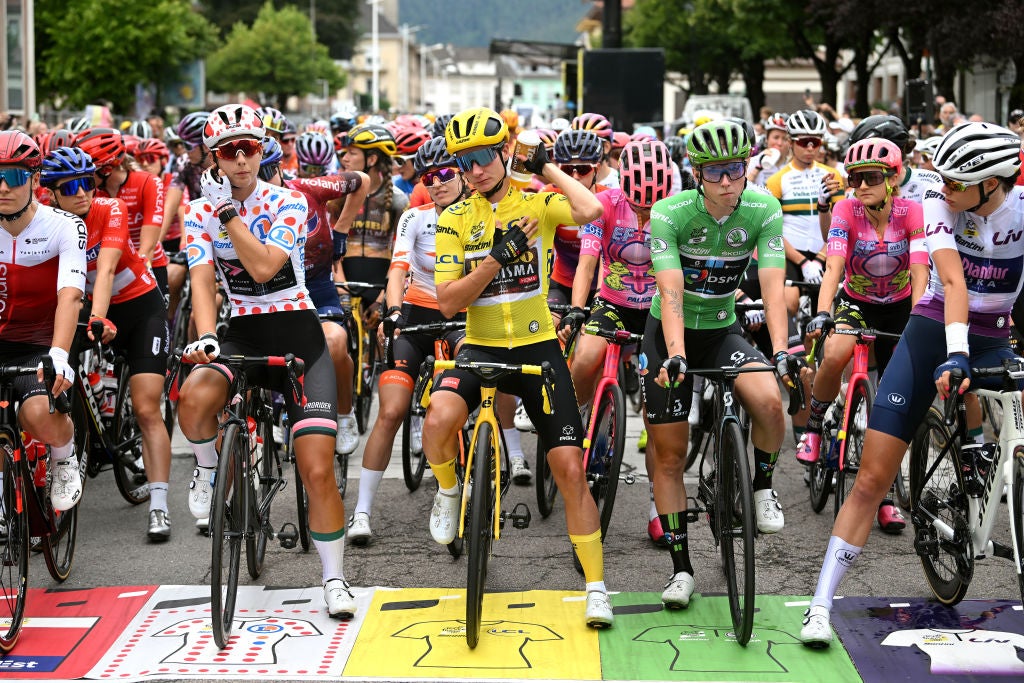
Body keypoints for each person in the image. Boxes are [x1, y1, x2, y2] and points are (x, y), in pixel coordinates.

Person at [799, 122, 1024, 648]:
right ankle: (820, 604)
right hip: (932, 332)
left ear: (992, 183)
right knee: (872, 479)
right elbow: (952, 283)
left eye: (954, 181)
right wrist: (957, 354)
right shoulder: (941, 207)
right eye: (940, 179)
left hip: (997, 334)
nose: (942, 188)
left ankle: (978, 462)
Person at [425, 106, 613, 627]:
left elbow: (592, 209)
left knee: (569, 469)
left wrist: (546, 166)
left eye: (485, 157)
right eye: (465, 163)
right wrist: (495, 260)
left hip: (538, 349)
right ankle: (447, 490)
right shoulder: (454, 220)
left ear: (505, 152)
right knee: (438, 418)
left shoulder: (538, 204)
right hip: (481, 347)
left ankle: (596, 585)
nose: (476, 170)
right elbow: (446, 303)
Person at [177, 104, 356, 619]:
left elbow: (262, 267)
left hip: (298, 336)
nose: (240, 160)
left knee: (317, 468)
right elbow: (203, 281)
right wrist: (208, 336)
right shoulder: (195, 212)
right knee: (193, 398)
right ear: (213, 156)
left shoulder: (288, 202)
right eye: (229, 151)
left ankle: (334, 578)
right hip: (243, 335)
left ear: (263, 150)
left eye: (249, 148)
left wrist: (229, 214)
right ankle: (210, 470)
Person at [643, 121, 802, 608]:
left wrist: (779, 350)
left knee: (769, 401)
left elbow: (773, 287)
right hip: (670, 332)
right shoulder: (669, 213)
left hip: (722, 330)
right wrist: (674, 354)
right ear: (696, 172)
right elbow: (670, 290)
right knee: (669, 457)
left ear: (747, 165)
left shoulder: (763, 208)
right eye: (715, 173)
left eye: (735, 170)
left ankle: (761, 486)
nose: (728, 182)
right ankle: (681, 568)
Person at [794, 138, 929, 534]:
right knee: (835, 351)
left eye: (870, 177)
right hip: (857, 301)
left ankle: (884, 496)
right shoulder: (845, 209)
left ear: (892, 178)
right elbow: (834, 266)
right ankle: (816, 424)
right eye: (854, 179)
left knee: (891, 403)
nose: (860, 185)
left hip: (901, 303)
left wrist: (920, 318)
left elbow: (920, 270)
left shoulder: (912, 211)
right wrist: (822, 313)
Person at [42, 146, 173, 540]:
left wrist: (100, 316)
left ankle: (160, 504)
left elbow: (108, 269)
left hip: (138, 309)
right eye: (71, 187)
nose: (83, 193)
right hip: (86, 312)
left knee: (147, 406)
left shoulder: (109, 208)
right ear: (50, 194)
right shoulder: (45, 223)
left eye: (88, 183)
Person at [347, 137, 469, 546]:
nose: (437, 184)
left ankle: (467, 477)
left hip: (463, 317)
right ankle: (362, 511)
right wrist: (394, 311)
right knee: (392, 410)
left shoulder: (481, 216)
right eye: (429, 177)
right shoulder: (414, 217)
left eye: (445, 174)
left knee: (457, 404)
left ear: (464, 174)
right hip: (416, 313)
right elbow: (398, 268)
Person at [558, 139, 670, 546]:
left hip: (659, 307)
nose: (644, 212)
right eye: (638, 202)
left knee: (661, 412)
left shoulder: (675, 207)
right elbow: (587, 261)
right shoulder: (603, 202)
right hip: (613, 301)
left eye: (652, 203)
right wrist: (575, 307)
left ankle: (660, 506)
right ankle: (582, 415)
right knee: (586, 355)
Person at [265, 134, 370, 458]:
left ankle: (344, 413)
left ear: (280, 169)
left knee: (337, 344)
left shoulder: (308, 189)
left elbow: (361, 180)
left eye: (268, 171)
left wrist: (340, 230)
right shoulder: (243, 204)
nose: (262, 181)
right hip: (274, 293)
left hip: (318, 286)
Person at [0, 131, 86, 513]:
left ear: (36, 181)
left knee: (36, 414)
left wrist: (59, 353)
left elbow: (70, 295)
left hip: (40, 343)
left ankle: (65, 455)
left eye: (14, 176)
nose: (3, 186)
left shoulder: (64, 226)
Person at [75, 128, 169, 301]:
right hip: (108, 269)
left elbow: (147, 245)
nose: (81, 179)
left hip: (147, 264)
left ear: (106, 169)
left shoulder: (148, 182)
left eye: (87, 172)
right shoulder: (90, 192)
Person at [338, 123, 410, 319]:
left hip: (380, 281)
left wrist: (382, 298)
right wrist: (342, 290)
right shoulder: (337, 195)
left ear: (371, 159)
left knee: (383, 342)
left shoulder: (398, 199)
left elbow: (402, 254)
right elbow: (328, 246)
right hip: (344, 279)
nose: (344, 158)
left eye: (352, 153)